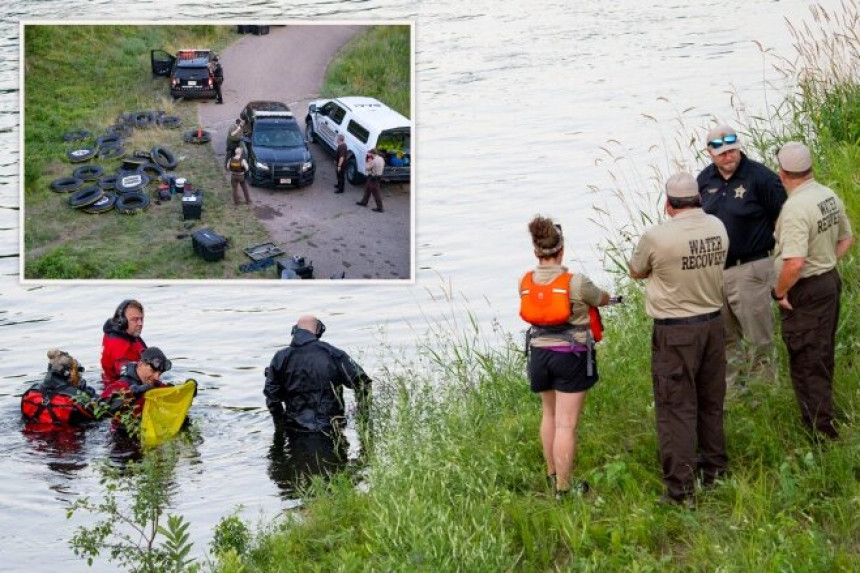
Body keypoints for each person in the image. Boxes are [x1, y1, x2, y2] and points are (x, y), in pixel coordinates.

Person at [629, 173, 729, 506]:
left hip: (676, 331)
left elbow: (636, 270)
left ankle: (680, 490)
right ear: (699, 199)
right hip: (714, 324)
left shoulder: (657, 236)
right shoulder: (717, 226)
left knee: (675, 408)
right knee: (711, 401)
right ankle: (715, 471)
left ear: (668, 204)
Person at [520, 216, 610, 497]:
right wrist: (607, 298)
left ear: (536, 251)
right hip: (570, 356)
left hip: (539, 355)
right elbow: (600, 298)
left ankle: (551, 474)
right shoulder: (576, 282)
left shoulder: (525, 281)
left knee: (548, 414)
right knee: (566, 424)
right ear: (561, 250)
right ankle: (564, 489)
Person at [771, 142, 854, 440]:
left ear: (781, 173)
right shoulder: (826, 194)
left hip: (804, 288)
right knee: (822, 352)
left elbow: (794, 263)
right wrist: (825, 261)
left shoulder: (795, 208)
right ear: (810, 167)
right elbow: (847, 239)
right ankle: (824, 415)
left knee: (806, 358)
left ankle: (820, 432)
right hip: (828, 281)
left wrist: (779, 293)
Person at [697, 125, 787, 389]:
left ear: (739, 146)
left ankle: (766, 395)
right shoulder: (703, 181)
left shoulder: (761, 178)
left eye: (732, 150)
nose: (728, 156)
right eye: (722, 152)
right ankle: (735, 399)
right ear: (710, 153)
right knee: (725, 340)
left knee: (759, 339)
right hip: (714, 273)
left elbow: (783, 220)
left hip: (752, 268)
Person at [264, 315, 372, 434]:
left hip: (295, 431)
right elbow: (363, 383)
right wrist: (361, 415)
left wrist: (280, 426)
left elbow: (272, 398)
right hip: (331, 428)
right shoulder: (333, 354)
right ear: (318, 331)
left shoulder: (280, 358)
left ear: (295, 331)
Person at [21, 349, 102, 425]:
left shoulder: (30, 393)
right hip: (67, 437)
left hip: (35, 437)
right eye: (76, 371)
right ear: (68, 372)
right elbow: (99, 416)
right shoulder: (76, 397)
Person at [102, 347, 173, 416]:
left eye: (160, 373)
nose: (156, 377)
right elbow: (101, 411)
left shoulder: (155, 384)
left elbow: (172, 395)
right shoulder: (120, 386)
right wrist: (133, 395)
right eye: (153, 371)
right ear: (140, 364)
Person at [100, 299, 147, 399]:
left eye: (141, 319)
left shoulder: (131, 335)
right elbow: (127, 370)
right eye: (135, 319)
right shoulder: (117, 345)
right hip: (120, 392)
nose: (140, 323)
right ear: (123, 321)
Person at [356, 148, 385, 212]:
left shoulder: (374, 161)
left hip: (373, 178)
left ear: (372, 153)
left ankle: (380, 208)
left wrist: (368, 162)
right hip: (377, 176)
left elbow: (367, 168)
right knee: (367, 189)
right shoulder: (381, 159)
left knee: (376, 193)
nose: (370, 155)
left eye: (370, 153)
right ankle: (364, 202)